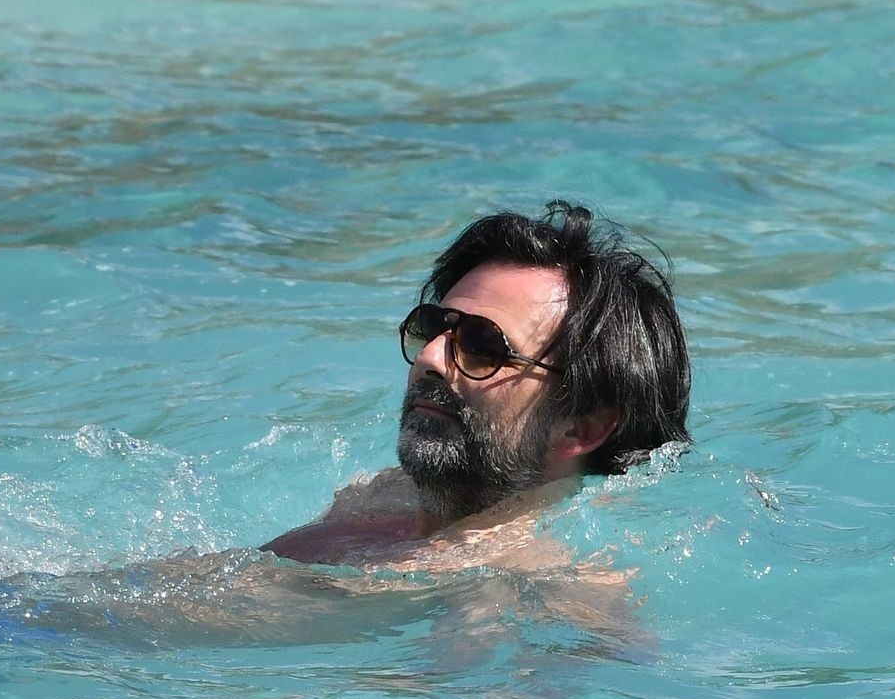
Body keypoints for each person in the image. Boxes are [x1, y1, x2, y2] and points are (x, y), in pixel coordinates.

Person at [264, 202, 690, 569]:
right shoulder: (379, 498)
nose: (430, 358)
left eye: (482, 345)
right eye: (433, 328)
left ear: (582, 427)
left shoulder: (546, 595)